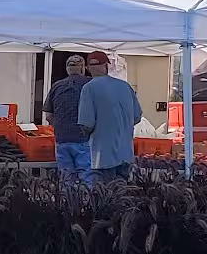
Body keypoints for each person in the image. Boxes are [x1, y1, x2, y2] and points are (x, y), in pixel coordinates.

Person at [78, 50, 142, 182]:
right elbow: (137, 117)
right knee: (123, 195)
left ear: (88, 68)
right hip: (126, 154)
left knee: (105, 197)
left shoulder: (88, 88)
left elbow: (86, 124)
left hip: (103, 156)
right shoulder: (125, 86)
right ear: (107, 65)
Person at [43, 54, 91, 181]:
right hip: (84, 138)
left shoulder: (56, 86)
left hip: (62, 139)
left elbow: (48, 115)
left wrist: (60, 126)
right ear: (83, 68)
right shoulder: (90, 84)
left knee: (66, 179)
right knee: (86, 179)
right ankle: (85, 201)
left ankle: (67, 200)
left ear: (67, 69)